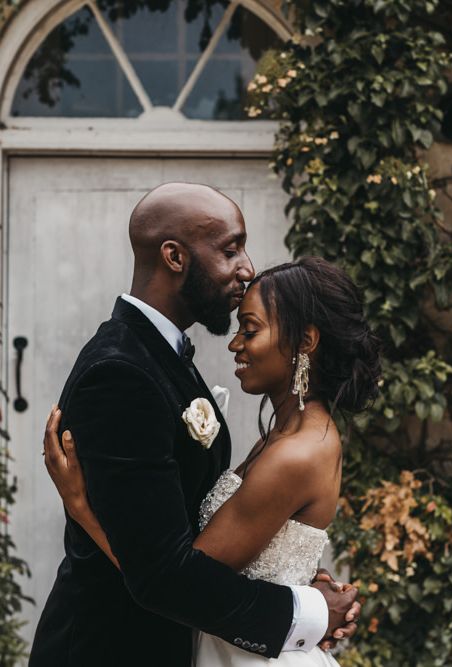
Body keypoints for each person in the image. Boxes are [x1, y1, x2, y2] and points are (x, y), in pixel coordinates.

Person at [31, 184, 360, 666]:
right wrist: (310, 611)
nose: (247, 268)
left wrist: (288, 582)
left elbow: (183, 552)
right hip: (111, 648)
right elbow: (165, 576)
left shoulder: (164, 360)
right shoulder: (121, 373)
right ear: (174, 256)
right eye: (231, 249)